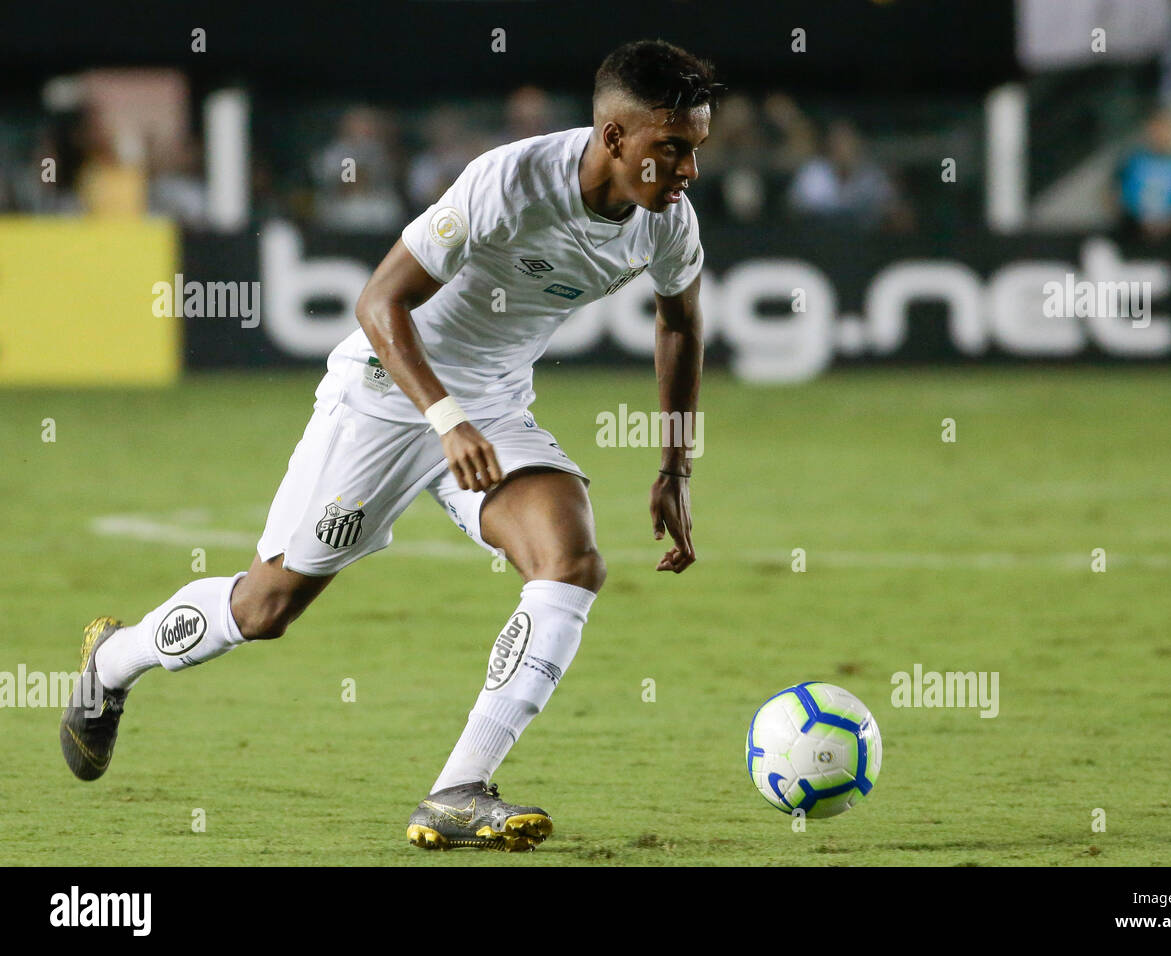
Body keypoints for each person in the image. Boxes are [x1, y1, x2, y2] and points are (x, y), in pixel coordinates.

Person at [60, 39, 720, 853]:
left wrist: (674, 464)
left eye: (695, 148)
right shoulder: (508, 184)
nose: (688, 170)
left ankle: (457, 789)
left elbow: (680, 322)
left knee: (572, 559)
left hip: (491, 407)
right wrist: (445, 418)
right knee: (265, 609)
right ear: (615, 138)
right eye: (673, 148)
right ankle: (114, 661)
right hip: (385, 393)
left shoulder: (666, 224)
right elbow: (380, 302)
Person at [1110, 110, 1171, 241]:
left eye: (1167, 129)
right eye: (1157, 129)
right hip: (1131, 233)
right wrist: (1132, 220)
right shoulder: (1132, 160)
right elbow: (1112, 194)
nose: (1162, 135)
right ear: (1149, 130)